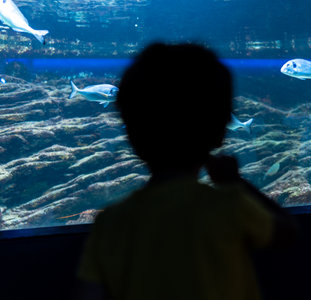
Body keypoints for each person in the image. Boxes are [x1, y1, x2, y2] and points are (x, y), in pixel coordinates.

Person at [76, 43, 298, 300]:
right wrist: (236, 183)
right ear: (221, 130)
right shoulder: (229, 205)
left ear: (131, 134)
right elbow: (288, 234)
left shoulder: (111, 223)